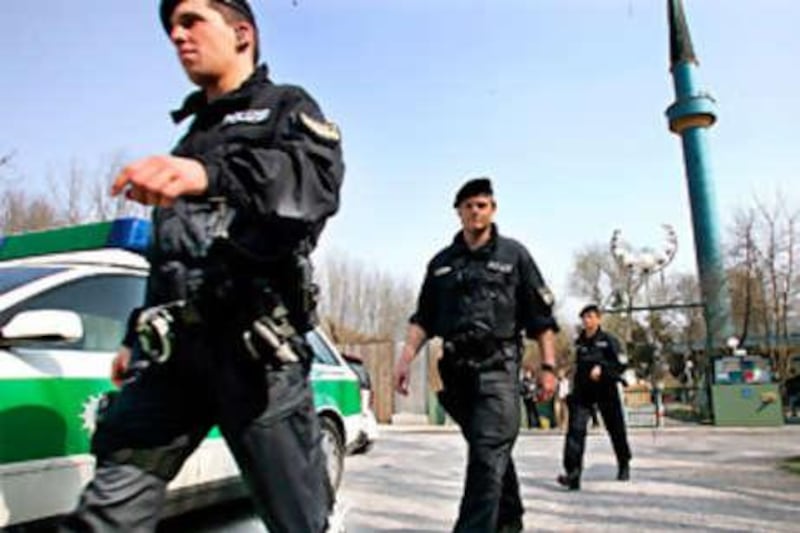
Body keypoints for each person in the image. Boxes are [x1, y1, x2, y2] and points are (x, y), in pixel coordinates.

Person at [60, 1, 344, 531]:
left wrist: (207, 174)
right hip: (175, 360)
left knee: (299, 521)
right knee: (108, 508)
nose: (176, 35)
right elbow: (173, 251)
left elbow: (312, 189)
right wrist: (133, 334)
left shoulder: (284, 107)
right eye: (171, 26)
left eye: (191, 21)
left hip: (256, 355)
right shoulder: (191, 138)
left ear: (242, 33)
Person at [394, 177, 559, 533]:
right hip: (457, 376)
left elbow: (541, 318)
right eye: (468, 206)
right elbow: (423, 318)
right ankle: (509, 522)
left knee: (486, 457)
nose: (474, 211)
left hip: (498, 370)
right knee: (492, 454)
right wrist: (405, 359)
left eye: (481, 205)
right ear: (458, 212)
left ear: (493, 209)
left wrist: (549, 367)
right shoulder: (441, 263)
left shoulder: (514, 256)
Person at [557, 304, 632, 491]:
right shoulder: (579, 342)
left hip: (606, 391)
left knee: (616, 429)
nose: (586, 321)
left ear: (598, 319)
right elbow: (573, 364)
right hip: (583, 393)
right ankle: (573, 474)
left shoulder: (609, 341)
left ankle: (623, 462)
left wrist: (603, 369)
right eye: (584, 317)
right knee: (575, 432)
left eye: (590, 317)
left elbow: (622, 364)